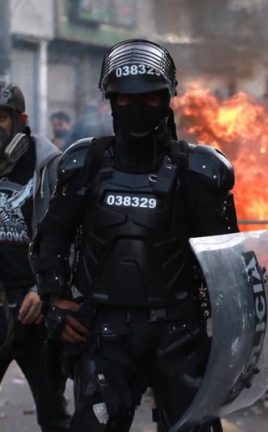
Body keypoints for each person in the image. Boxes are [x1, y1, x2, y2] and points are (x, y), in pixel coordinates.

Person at [29, 39, 238, 432]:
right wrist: (55, 300)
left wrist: (225, 337)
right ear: (110, 101)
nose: (136, 109)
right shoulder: (85, 163)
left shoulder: (198, 170)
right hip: (105, 334)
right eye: (123, 100)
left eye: (150, 99)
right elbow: (50, 238)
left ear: (168, 98)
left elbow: (227, 262)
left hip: (179, 333)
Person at [0, 81, 70, 431]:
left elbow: (70, 236)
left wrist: (44, 290)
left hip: (35, 311)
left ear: (20, 119)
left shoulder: (49, 166)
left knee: (54, 416)